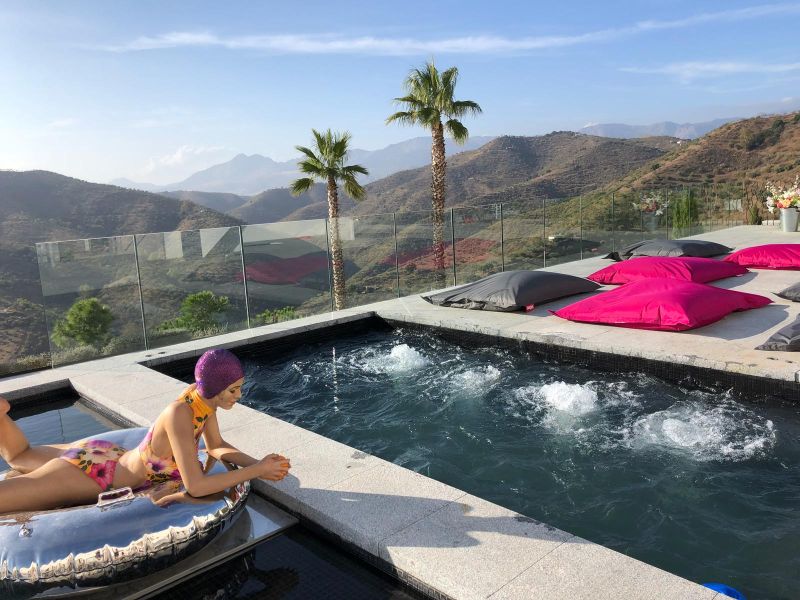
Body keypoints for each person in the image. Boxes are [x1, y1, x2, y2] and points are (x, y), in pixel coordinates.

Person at [0, 348, 290, 514]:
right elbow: (196, 486)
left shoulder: (203, 403)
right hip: (99, 475)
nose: (239, 395)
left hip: (108, 455)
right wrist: (255, 471)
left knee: (20, 455)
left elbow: (215, 446)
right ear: (215, 388)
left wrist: (261, 463)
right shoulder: (180, 414)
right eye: (234, 389)